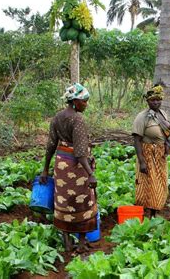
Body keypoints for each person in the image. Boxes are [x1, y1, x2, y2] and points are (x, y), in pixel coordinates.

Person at [40, 83, 97, 254]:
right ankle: (80, 243)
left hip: (61, 165)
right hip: (77, 167)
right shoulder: (77, 119)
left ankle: (66, 242)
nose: (86, 104)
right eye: (84, 101)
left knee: (64, 201)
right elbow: (80, 153)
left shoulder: (57, 117)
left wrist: (45, 170)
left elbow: (51, 145)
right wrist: (91, 174)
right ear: (74, 101)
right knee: (81, 202)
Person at [132, 84, 170, 218]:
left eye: (158, 99)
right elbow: (137, 139)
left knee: (160, 183)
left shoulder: (163, 114)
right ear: (147, 101)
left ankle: (154, 213)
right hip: (148, 154)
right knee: (148, 184)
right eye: (152, 100)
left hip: (160, 155)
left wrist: (167, 144)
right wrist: (142, 161)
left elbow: (167, 132)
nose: (155, 102)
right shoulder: (142, 117)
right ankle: (146, 214)